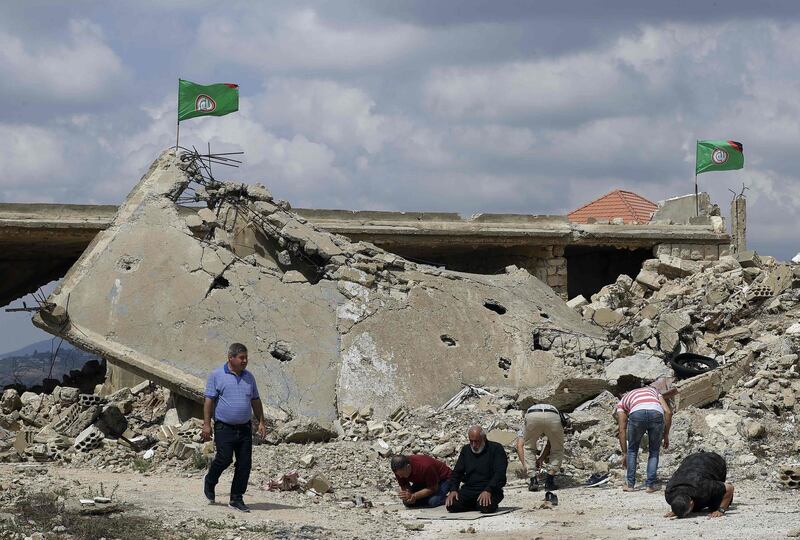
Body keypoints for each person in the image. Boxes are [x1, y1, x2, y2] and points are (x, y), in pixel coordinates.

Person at [201, 343, 267, 512]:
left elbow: (255, 400)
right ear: (231, 358)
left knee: (244, 463)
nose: (245, 361)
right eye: (241, 358)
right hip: (224, 427)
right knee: (224, 458)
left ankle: (236, 498)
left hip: (244, 428)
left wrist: (261, 421)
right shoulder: (217, 375)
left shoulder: (249, 377)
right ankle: (210, 480)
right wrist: (207, 424)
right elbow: (209, 401)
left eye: (246, 357)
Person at [615, 378, 675, 493]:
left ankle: (630, 485)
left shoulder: (622, 401)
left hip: (636, 414)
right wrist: (666, 434)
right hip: (656, 413)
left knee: (633, 450)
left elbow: (622, 430)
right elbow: (668, 412)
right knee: (654, 451)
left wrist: (625, 453)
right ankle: (650, 485)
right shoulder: (653, 391)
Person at [445, 426, 507, 513]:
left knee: (485, 506)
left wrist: (488, 490)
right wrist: (453, 489)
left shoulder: (496, 449)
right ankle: (474, 504)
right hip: (470, 489)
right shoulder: (466, 450)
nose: (473, 445)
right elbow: (457, 472)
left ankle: (479, 504)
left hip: (489, 488)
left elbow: (500, 473)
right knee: (452, 505)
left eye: (476, 441)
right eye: (471, 441)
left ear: (484, 438)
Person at [665, 451, 735, 519]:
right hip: (690, 459)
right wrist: (677, 510)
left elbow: (730, 488)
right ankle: (719, 486)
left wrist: (721, 510)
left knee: (715, 505)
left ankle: (721, 485)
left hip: (714, 462)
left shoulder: (703, 487)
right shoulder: (669, 494)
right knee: (697, 507)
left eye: (687, 514)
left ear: (691, 503)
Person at [514, 402, 564, 491]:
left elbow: (520, 445)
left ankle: (533, 481)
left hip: (533, 415)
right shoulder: (557, 416)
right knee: (557, 448)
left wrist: (527, 467)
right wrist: (541, 458)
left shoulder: (525, 423)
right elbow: (552, 444)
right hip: (553, 415)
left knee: (528, 447)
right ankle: (549, 482)